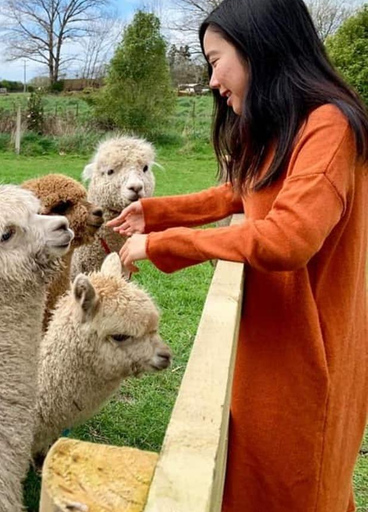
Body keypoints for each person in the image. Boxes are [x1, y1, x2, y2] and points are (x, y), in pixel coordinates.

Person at [107, 0, 368, 510]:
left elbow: (287, 237)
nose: (210, 80)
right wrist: (155, 214)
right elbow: (237, 193)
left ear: (259, 49)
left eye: (215, 59)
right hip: (269, 341)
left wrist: (165, 243)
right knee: (245, 478)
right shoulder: (287, 128)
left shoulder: (329, 127)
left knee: (293, 487)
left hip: (307, 358)